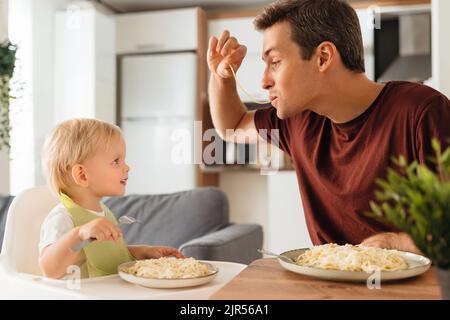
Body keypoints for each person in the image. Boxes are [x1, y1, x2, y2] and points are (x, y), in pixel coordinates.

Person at [207, 0, 450, 253]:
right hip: (330, 287)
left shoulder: (422, 111)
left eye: (275, 62)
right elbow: (232, 127)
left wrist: (395, 243)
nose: (264, 81)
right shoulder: (298, 120)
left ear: (323, 57)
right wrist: (221, 77)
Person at [39, 118, 184, 279]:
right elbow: (49, 269)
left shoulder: (104, 212)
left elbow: (107, 255)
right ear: (82, 175)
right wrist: (79, 234)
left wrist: (142, 251)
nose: (127, 167)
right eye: (116, 161)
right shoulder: (63, 218)